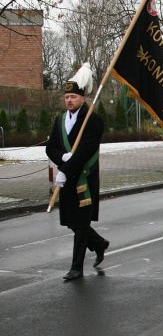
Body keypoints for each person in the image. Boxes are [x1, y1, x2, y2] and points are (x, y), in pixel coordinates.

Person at [45, 63, 109, 281]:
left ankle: (76, 268)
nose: (69, 100)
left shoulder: (93, 120)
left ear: (82, 98)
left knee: (81, 225)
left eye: (73, 96)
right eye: (66, 97)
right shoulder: (60, 120)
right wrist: (61, 158)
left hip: (84, 180)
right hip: (66, 179)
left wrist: (65, 170)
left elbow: (84, 152)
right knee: (71, 222)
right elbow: (50, 146)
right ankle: (99, 243)